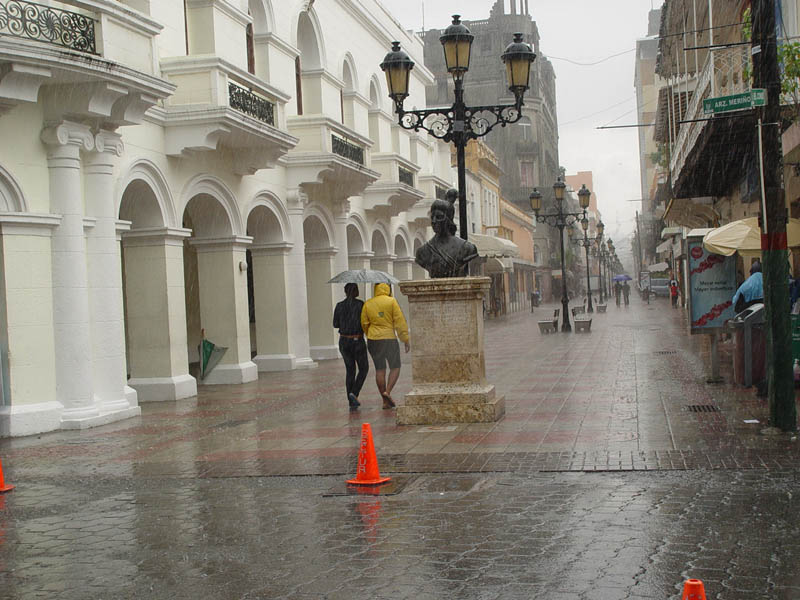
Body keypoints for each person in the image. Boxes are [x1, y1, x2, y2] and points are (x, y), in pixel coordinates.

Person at [361, 283, 410, 409]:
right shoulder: (392, 301)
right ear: (388, 288)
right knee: (395, 367)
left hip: (373, 340)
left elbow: (364, 323)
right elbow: (399, 322)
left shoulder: (368, 303)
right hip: (389, 339)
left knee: (380, 369)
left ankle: (384, 401)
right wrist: (405, 339)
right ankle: (387, 392)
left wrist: (370, 334)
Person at [415, 189, 478, 278]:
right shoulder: (422, 252)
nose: (434, 221)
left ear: (449, 220)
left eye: (439, 217)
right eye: (432, 217)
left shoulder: (467, 248)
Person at [333, 283, 368, 411]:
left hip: (344, 341)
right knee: (364, 368)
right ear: (356, 291)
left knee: (350, 370)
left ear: (345, 291)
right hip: (357, 340)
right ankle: (354, 392)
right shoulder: (361, 305)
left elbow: (335, 324)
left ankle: (351, 400)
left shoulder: (339, 306)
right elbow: (365, 322)